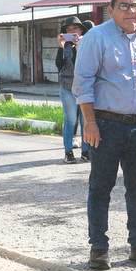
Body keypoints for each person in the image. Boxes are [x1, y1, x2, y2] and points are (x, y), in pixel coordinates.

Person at [73, 0, 136, 271]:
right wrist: (89, 122)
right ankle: (99, 248)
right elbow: (83, 83)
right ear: (111, 9)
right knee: (101, 188)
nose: (131, 11)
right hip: (105, 125)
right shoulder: (96, 37)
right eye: (124, 6)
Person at [55, 16, 91, 164]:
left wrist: (79, 46)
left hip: (84, 87)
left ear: (81, 30)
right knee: (70, 120)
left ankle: (86, 151)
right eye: (68, 30)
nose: (72, 31)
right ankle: (68, 152)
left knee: (86, 121)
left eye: (75, 28)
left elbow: (83, 64)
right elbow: (59, 65)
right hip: (68, 87)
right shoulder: (66, 47)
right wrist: (61, 46)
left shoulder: (88, 44)